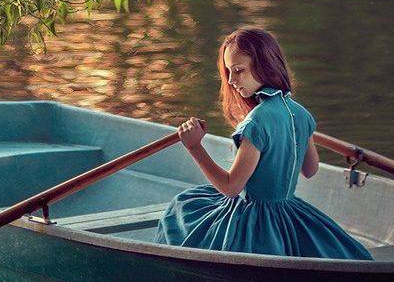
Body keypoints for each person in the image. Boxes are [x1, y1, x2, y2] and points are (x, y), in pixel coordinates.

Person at [154, 26, 373, 259]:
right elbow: (310, 169)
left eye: (238, 70)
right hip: (288, 213)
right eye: (229, 71)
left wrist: (194, 146)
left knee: (183, 207)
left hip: (254, 221)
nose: (231, 80)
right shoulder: (300, 113)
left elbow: (231, 188)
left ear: (264, 66)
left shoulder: (255, 122)